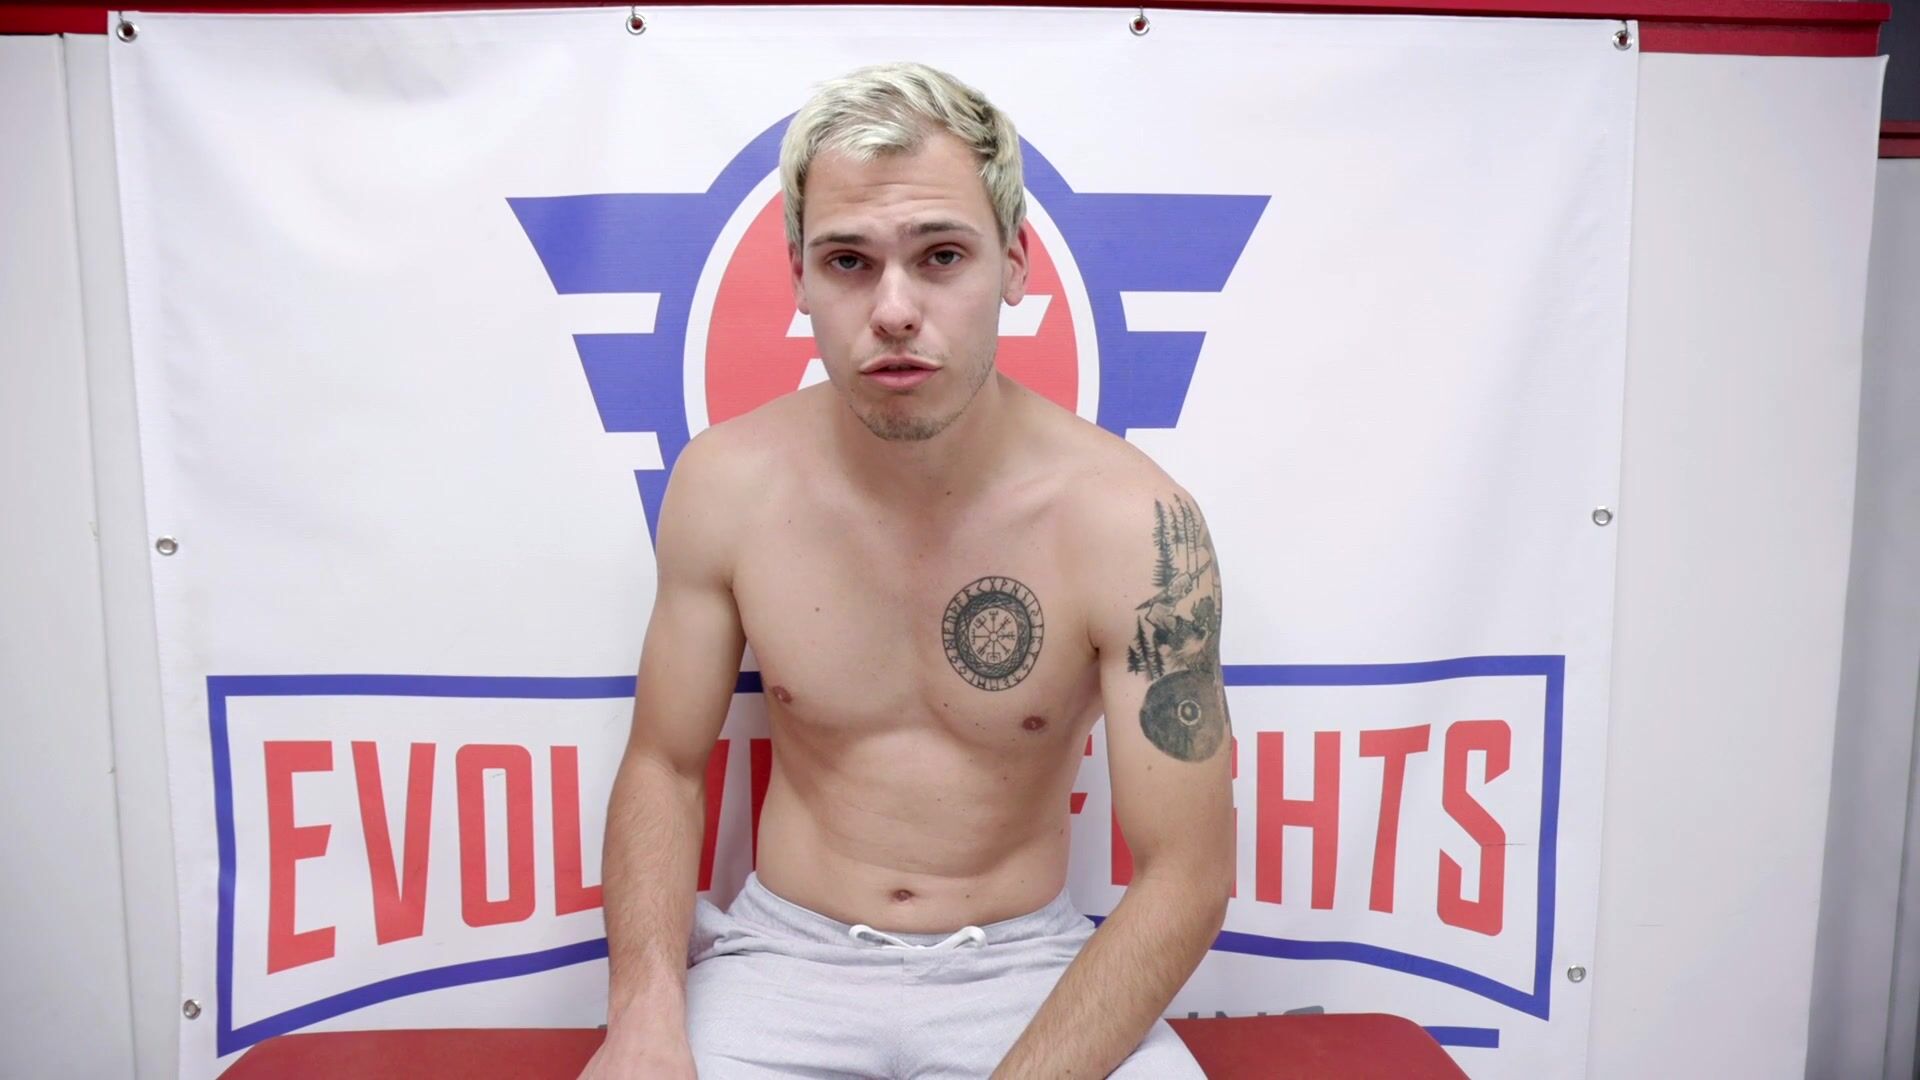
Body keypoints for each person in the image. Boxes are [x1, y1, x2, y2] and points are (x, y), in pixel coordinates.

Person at [580, 62, 1234, 1080]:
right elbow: (664, 765)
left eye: (941, 257)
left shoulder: (1135, 526)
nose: (893, 309)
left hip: (1029, 971)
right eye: (848, 261)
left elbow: (1187, 873)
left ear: (1014, 263)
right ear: (798, 276)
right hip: (781, 964)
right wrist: (644, 1015)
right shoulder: (728, 484)